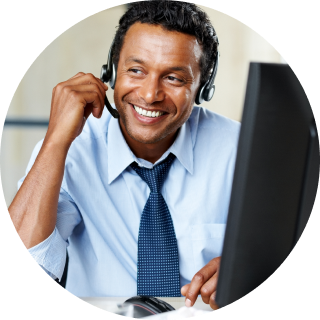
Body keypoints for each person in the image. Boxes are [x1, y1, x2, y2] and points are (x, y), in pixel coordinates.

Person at [8, 0, 240, 310]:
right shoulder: (71, 148)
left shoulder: (240, 150)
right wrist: (55, 141)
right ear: (112, 70)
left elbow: (275, 250)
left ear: (202, 88)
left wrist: (247, 269)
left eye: (173, 78)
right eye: (136, 70)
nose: (149, 94)